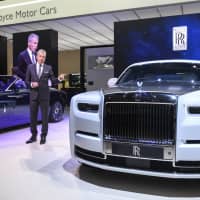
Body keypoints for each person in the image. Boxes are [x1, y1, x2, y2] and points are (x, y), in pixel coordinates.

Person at [25, 49, 65, 145]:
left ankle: (43, 136)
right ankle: (33, 136)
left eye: (44, 57)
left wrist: (59, 79)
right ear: (36, 57)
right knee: (33, 117)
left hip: (45, 96)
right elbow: (26, 81)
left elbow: (54, 80)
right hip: (34, 95)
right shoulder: (30, 67)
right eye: (40, 56)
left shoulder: (48, 68)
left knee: (44, 117)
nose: (42, 58)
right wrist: (31, 84)